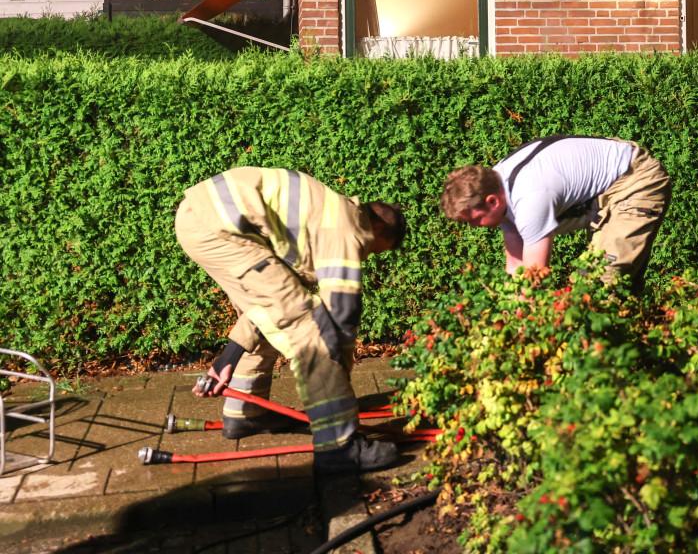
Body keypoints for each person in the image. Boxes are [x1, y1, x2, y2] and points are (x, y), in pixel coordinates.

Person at [174, 167, 407, 474]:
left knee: (277, 315)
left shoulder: (320, 219)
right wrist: (338, 372)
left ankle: (245, 412)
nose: (367, 257)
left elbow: (270, 306)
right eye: (376, 251)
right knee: (310, 329)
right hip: (218, 229)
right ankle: (339, 447)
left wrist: (229, 355)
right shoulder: (350, 228)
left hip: (201, 221)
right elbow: (341, 314)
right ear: (379, 230)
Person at [441, 136, 671, 291]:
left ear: (491, 201)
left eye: (474, 220)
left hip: (635, 180)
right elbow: (516, 265)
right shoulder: (498, 184)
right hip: (609, 183)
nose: (475, 227)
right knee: (619, 283)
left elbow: (535, 275)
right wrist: (509, 305)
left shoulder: (529, 197)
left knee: (599, 281)